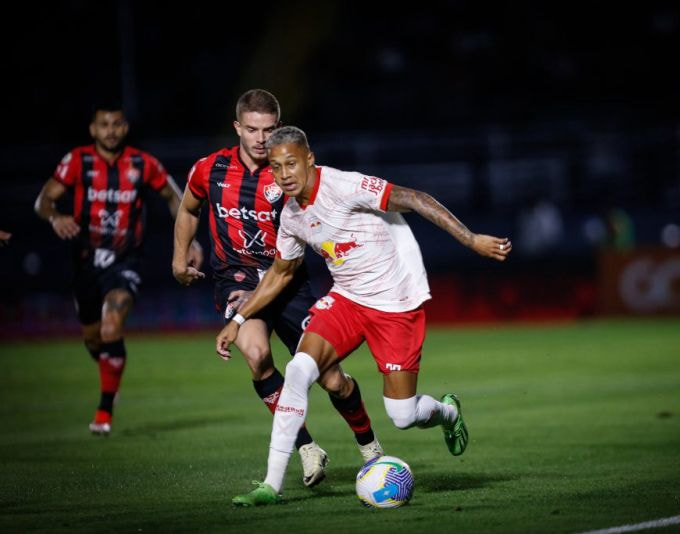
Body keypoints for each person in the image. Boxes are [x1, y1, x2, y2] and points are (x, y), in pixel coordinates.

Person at [215, 126, 512, 506]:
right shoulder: (291, 216)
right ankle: (271, 486)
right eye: (276, 167)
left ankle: (448, 413)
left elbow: (415, 198)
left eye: (291, 163)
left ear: (309, 159)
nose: (284, 174)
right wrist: (239, 320)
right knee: (298, 370)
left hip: (395, 304)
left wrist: (470, 239)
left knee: (403, 415)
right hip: (347, 301)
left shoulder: (344, 186)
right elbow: (281, 273)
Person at [172, 90, 383, 489]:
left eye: (268, 130)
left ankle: (370, 446)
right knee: (256, 354)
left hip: (287, 280)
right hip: (236, 279)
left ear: (279, 127)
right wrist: (179, 258)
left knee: (332, 380)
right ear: (237, 127)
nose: (260, 138)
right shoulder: (209, 169)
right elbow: (188, 208)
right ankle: (306, 447)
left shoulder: (288, 174)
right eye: (252, 129)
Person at [34, 102, 204, 436]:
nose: (110, 131)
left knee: (112, 325)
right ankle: (108, 369)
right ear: (93, 129)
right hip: (85, 261)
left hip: (127, 260)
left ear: (125, 128)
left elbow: (176, 199)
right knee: (94, 338)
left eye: (117, 124)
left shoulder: (143, 164)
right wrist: (55, 218)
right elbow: (43, 201)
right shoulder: (77, 161)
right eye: (104, 125)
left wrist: (191, 242)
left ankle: (104, 412)